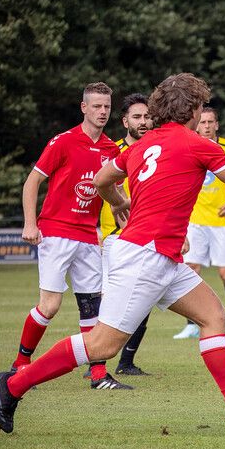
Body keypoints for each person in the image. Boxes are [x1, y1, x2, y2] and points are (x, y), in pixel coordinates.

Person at [0, 72, 225, 434]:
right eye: (200, 106)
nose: (203, 113)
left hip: (160, 254)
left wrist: (121, 203)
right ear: (190, 109)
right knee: (102, 345)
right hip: (144, 255)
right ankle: (12, 385)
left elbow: (100, 180)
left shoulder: (141, 146)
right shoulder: (197, 144)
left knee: (213, 317)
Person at [10, 82, 132, 390]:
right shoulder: (63, 142)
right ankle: (20, 364)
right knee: (49, 306)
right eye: (97, 106)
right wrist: (29, 223)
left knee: (91, 306)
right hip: (55, 232)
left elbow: (110, 190)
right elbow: (32, 181)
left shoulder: (110, 149)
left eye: (106, 106)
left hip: (89, 236)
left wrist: (121, 205)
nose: (102, 112)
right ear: (84, 108)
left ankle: (98, 374)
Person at [173, 107, 225, 339]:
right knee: (190, 270)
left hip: (222, 221)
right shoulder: (190, 145)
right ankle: (193, 322)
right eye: (202, 121)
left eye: (210, 122)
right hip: (195, 221)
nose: (205, 126)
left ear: (217, 125)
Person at [100, 93, 154, 376]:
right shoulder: (113, 151)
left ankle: (126, 362)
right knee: (110, 299)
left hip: (147, 237)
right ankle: (97, 365)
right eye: (137, 117)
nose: (143, 122)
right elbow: (100, 184)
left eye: (147, 116)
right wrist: (118, 202)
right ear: (125, 122)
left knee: (144, 300)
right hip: (117, 236)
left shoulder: (157, 149)